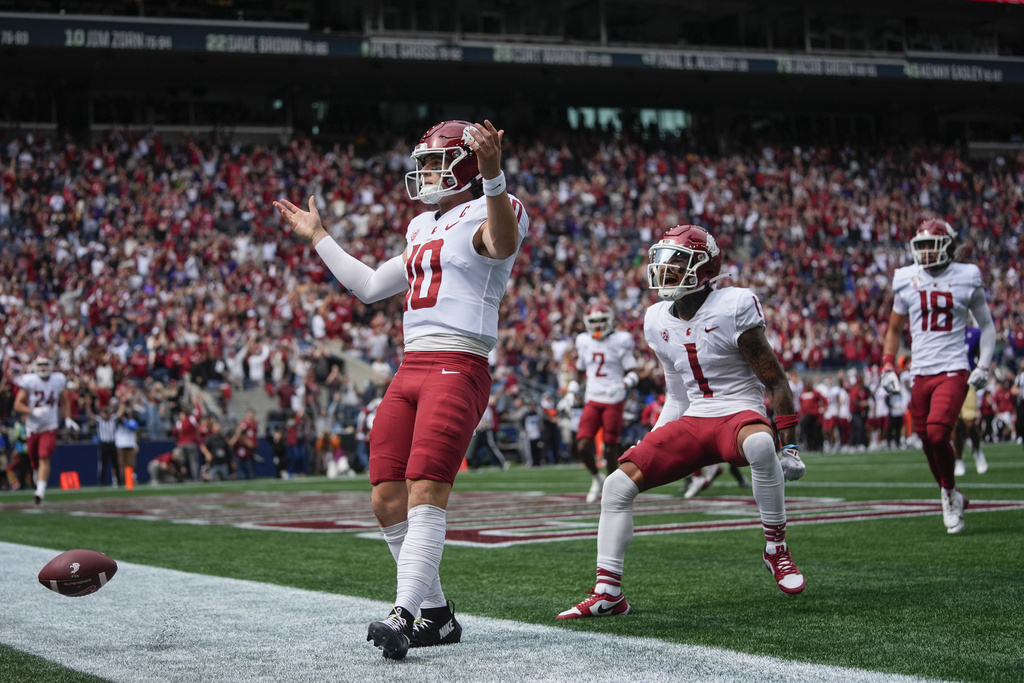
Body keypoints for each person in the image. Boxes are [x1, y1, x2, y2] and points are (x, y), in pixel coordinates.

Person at [275, 119, 528, 660]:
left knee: (425, 490)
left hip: (458, 362)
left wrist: (492, 176)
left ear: (464, 165)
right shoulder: (421, 226)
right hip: (411, 366)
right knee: (385, 495)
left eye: (438, 163)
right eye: (427, 163)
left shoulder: (496, 204)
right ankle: (436, 614)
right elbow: (368, 288)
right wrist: (319, 237)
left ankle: (405, 612)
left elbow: (502, 243)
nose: (427, 173)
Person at [557, 224, 806, 621]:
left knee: (762, 445)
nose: (665, 270)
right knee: (617, 484)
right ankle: (608, 592)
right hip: (693, 418)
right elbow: (676, 394)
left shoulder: (734, 304)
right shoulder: (655, 317)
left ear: (706, 269)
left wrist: (789, 445)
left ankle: (776, 548)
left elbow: (774, 380)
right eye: (663, 261)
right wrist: (657, 440)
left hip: (737, 412)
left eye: (677, 262)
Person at [880, 219, 995, 535]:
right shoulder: (906, 278)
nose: (927, 253)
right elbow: (893, 329)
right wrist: (888, 364)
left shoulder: (967, 275)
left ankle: (947, 495)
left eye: (933, 245)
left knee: (937, 433)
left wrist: (983, 365)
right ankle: (953, 492)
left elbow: (986, 325)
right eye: (923, 246)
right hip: (920, 371)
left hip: (953, 368)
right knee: (927, 442)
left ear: (948, 247)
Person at [565, 302, 641, 503]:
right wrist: (572, 390)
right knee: (582, 445)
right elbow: (580, 370)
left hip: (613, 398)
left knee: (609, 447)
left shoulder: (620, 340)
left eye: (601, 322)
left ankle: (612, 487)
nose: (598, 326)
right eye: (594, 322)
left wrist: (624, 384)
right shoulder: (583, 341)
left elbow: (634, 370)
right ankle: (597, 479)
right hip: (593, 397)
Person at [12, 355, 79, 504]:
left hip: (50, 425)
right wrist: (31, 411)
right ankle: (38, 476)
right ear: (35, 366)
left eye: (45, 364)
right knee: (34, 460)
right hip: (32, 427)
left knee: (44, 456)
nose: (42, 368)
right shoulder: (29, 381)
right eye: (40, 364)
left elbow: (64, 400)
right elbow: (17, 404)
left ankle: (40, 492)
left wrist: (67, 418)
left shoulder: (57, 379)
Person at [954, 326, 987, 476]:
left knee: (969, 423)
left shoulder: (974, 333)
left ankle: (977, 450)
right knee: (954, 425)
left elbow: (980, 356)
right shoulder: (946, 332)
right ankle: (959, 459)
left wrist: (982, 372)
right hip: (949, 381)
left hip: (968, 380)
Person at [94, 400, 120, 487]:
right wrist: (87, 405)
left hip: (112, 444)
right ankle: (102, 482)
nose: (105, 415)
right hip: (103, 445)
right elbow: (90, 415)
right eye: (104, 413)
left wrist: (123, 403)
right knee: (103, 464)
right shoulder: (99, 420)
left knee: (115, 463)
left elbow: (119, 414)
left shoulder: (112, 419)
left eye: (106, 413)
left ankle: (119, 481)